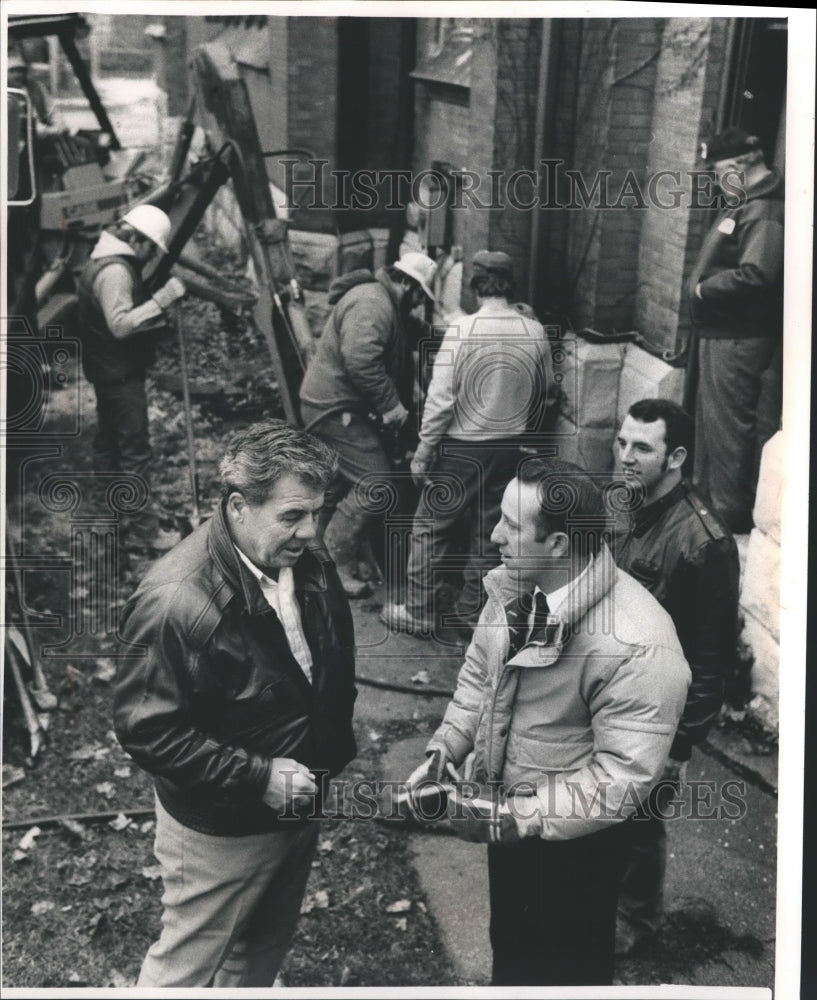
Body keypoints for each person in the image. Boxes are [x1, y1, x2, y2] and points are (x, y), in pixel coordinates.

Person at [405, 457, 690, 986]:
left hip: (577, 849)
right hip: (509, 822)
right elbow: (478, 675)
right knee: (511, 951)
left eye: (511, 527)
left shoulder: (638, 644)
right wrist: (447, 748)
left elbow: (623, 777)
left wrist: (521, 817)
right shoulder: (514, 586)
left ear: (558, 544)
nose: (493, 536)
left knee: (566, 970)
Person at [115, 420, 357, 987]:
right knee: (186, 971)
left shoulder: (302, 557)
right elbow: (147, 730)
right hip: (222, 828)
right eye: (292, 515)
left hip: (297, 803)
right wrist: (257, 777)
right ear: (238, 506)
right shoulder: (174, 603)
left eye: (316, 512)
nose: (310, 531)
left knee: (259, 953)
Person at [612, 398, 740, 953]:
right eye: (622, 442)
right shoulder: (623, 506)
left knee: (638, 826)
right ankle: (600, 908)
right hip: (608, 692)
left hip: (657, 713)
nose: (625, 456)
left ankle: (635, 926)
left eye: (642, 447)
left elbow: (711, 655)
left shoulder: (706, 542)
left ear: (676, 457)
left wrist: (682, 744)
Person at [381, 250, 554, 638]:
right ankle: (473, 610)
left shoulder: (463, 331)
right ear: (510, 286)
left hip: (461, 448)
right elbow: (545, 389)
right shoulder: (535, 331)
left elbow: (441, 402)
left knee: (430, 526)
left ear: (475, 286)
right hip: (509, 447)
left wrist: (423, 453)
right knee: (487, 531)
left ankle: (419, 610)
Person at [299, 250, 437, 596]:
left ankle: (313, 558)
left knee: (336, 487)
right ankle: (335, 556)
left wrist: (459, 335)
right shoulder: (373, 304)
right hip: (335, 409)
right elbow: (360, 360)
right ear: (406, 283)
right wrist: (392, 406)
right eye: (419, 294)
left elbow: (412, 331)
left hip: (331, 404)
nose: (419, 303)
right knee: (376, 484)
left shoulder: (385, 302)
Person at [688, 126, 784, 533]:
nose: (713, 179)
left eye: (717, 170)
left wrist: (704, 287)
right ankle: (708, 520)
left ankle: (724, 527)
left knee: (728, 434)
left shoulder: (763, 209)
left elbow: (758, 273)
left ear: (741, 165)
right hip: (721, 334)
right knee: (712, 431)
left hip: (737, 338)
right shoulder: (745, 202)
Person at [77, 204, 185, 551]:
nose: (152, 254)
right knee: (135, 451)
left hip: (106, 370)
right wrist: (161, 301)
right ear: (136, 238)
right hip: (120, 375)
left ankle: (104, 519)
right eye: (152, 246)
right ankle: (145, 532)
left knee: (108, 445)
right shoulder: (116, 273)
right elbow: (121, 326)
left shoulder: (104, 257)